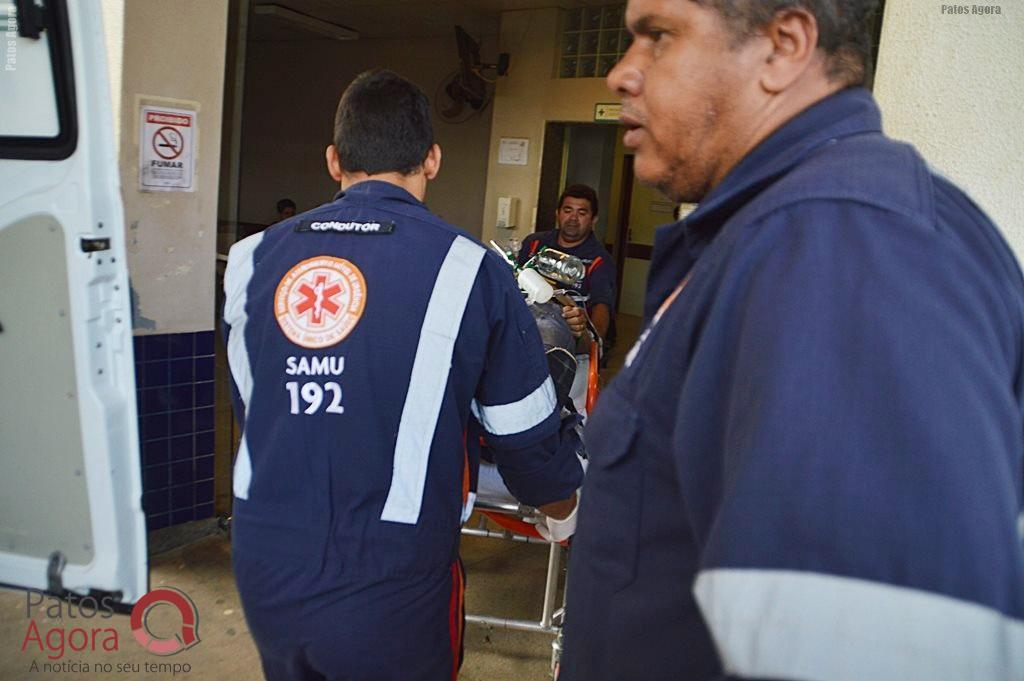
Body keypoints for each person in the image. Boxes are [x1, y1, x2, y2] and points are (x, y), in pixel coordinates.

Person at [559, 1, 1024, 680]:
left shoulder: (844, 245)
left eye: (658, 36)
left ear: (782, 47)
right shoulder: (774, 236)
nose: (621, 74)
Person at [223, 69, 582, 681]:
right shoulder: (470, 270)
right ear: (433, 159)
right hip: (391, 578)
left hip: (264, 558)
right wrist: (564, 508)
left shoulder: (250, 259)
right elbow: (525, 441)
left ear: (335, 160)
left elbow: (260, 408)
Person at [517, 184, 617, 345]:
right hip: (526, 329)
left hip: (567, 339)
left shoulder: (600, 261)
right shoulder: (534, 243)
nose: (573, 218)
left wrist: (592, 341)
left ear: (594, 220)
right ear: (558, 213)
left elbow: (601, 310)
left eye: (582, 213)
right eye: (567, 210)